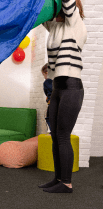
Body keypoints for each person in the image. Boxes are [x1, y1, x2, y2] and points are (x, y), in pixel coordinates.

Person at [38, 0, 87, 193]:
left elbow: (68, 3)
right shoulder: (55, 27)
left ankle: (66, 183)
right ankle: (58, 178)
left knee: (63, 136)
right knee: (55, 138)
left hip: (71, 88)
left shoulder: (75, 24)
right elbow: (38, 16)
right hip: (57, 88)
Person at [42, 63, 53, 132]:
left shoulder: (47, 82)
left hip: (52, 102)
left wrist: (48, 99)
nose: (44, 77)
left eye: (43, 75)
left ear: (46, 73)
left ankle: (53, 131)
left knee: (48, 117)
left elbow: (47, 92)